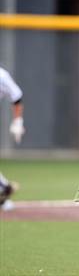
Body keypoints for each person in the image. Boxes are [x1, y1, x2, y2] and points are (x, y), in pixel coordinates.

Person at [0, 66, 25, 210]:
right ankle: (4, 190)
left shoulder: (1, 76)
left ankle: (4, 189)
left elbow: (17, 96)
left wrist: (18, 121)